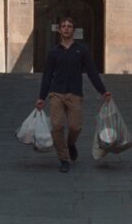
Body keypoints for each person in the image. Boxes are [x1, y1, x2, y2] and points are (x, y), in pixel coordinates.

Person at [36, 16, 112, 172]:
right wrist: (41, 97)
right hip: (56, 94)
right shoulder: (53, 52)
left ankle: (71, 143)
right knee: (57, 126)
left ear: (73, 30)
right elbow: (47, 76)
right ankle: (63, 159)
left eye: (69, 26)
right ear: (59, 30)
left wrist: (103, 91)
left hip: (75, 94)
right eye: (63, 26)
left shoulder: (81, 50)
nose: (66, 28)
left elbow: (92, 71)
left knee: (75, 127)